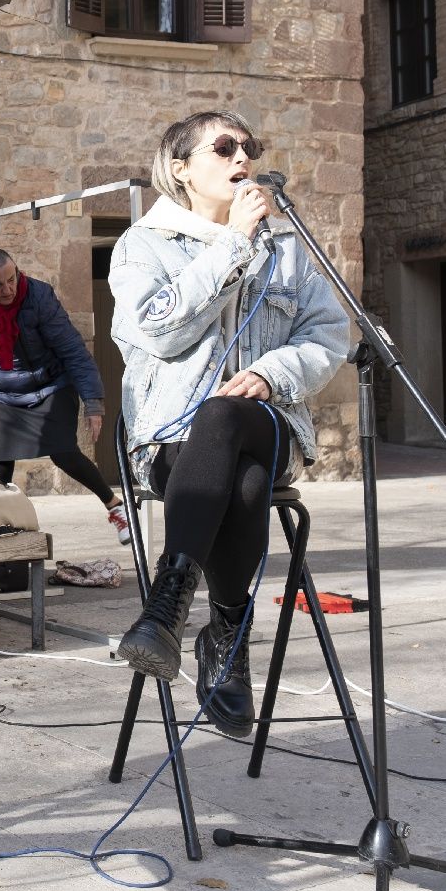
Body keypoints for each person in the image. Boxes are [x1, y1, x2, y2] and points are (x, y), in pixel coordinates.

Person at [109, 111, 347, 737]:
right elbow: (157, 331)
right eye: (223, 147)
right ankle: (227, 632)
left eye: (249, 147)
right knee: (241, 482)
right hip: (172, 442)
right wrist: (232, 247)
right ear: (180, 169)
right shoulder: (143, 245)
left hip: (268, 424)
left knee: (230, 417)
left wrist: (274, 373)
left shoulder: (288, 246)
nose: (242, 156)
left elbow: (328, 335)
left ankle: (165, 608)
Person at [0, 249, 130, 542]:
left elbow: (72, 349)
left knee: (64, 453)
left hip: (51, 385)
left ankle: (116, 507)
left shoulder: (38, 296)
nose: (7, 289)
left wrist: (92, 403)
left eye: (11, 279)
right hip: (6, 395)